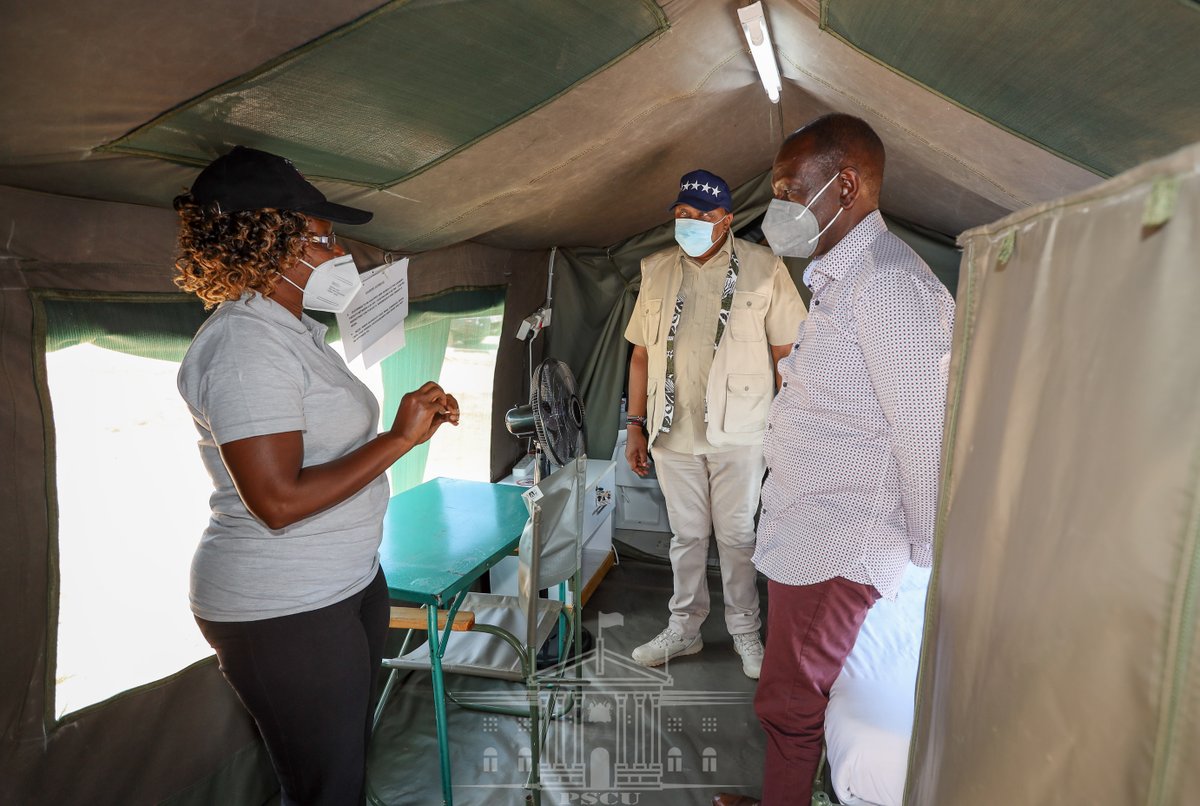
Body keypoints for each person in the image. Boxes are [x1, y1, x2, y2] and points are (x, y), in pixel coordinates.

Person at [173, 146, 459, 806]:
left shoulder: (293, 332)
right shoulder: (243, 347)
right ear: (273, 239)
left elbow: (324, 448)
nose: (341, 254)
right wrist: (397, 439)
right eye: (324, 236)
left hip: (345, 582)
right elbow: (276, 500)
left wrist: (410, 423)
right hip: (283, 608)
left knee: (341, 769)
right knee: (325, 789)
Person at [713, 115, 955, 806]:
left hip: (840, 538)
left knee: (787, 703)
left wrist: (927, 560)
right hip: (809, 525)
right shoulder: (842, 282)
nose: (779, 205)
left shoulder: (889, 286)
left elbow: (923, 433)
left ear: (845, 185)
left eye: (792, 188)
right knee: (792, 696)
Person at [624, 169, 805, 679]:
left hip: (742, 433)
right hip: (671, 431)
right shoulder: (656, 269)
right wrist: (635, 426)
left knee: (737, 536)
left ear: (726, 220)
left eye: (704, 216)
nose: (692, 223)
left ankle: (747, 632)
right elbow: (639, 354)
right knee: (685, 537)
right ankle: (684, 630)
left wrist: (790, 431)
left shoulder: (764, 268)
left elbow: (787, 355)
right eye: (683, 214)